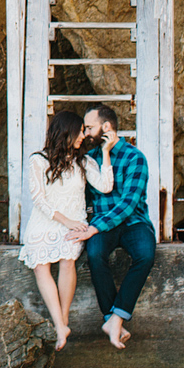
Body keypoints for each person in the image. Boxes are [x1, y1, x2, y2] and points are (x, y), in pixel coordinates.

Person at [18, 109, 114, 350]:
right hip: (45, 221)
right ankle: (60, 325)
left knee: (67, 261)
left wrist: (105, 153)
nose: (83, 136)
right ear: (66, 132)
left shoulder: (84, 161)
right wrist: (65, 221)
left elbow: (105, 186)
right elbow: (38, 199)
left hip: (74, 221)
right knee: (41, 267)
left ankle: (63, 320)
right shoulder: (38, 160)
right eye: (80, 131)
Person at [78, 105, 154, 350]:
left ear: (106, 127)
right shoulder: (90, 160)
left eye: (90, 127)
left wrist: (95, 227)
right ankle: (111, 320)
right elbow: (85, 199)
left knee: (145, 254)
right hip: (103, 225)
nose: (86, 132)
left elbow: (129, 203)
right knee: (95, 254)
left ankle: (116, 318)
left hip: (133, 222)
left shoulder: (135, 157)